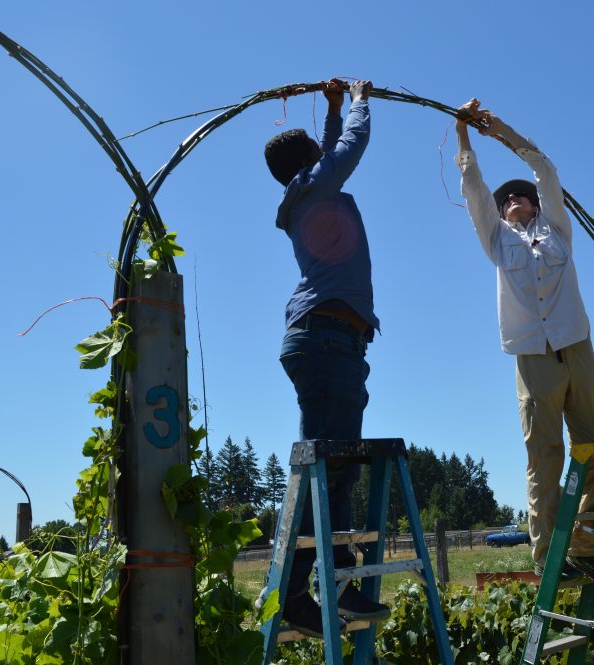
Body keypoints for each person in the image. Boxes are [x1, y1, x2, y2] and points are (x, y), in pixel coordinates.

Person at [454, 99, 594, 589]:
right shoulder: (497, 242)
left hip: (576, 345)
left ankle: (587, 547)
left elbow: (544, 167)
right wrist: (462, 135)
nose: (510, 204)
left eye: (519, 198)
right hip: (532, 357)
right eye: (505, 203)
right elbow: (473, 189)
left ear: (536, 203)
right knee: (543, 457)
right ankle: (549, 556)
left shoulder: (557, 227)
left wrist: (496, 128)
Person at [263, 78, 390, 638]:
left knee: (333, 469)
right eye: (320, 148)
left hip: (328, 340)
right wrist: (359, 101)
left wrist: (333, 109)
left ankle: (336, 583)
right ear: (312, 161)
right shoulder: (317, 184)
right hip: (327, 339)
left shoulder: (307, 191)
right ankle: (303, 594)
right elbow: (351, 146)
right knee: (326, 470)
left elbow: (332, 147)